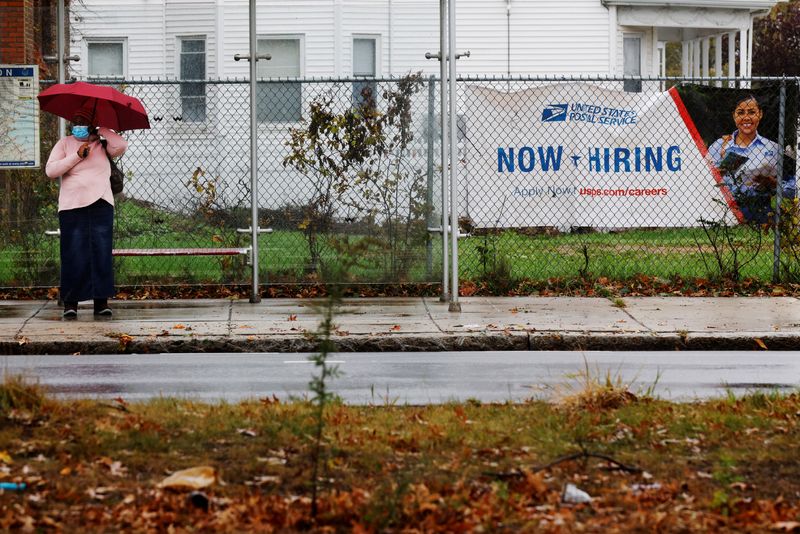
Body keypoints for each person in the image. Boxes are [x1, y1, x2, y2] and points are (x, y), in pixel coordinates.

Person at [45, 104, 128, 318]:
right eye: (76, 120)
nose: (78, 124)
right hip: (72, 206)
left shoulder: (102, 144)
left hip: (101, 204)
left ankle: (101, 303)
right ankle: (70, 303)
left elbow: (120, 145)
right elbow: (51, 170)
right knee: (73, 253)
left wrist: (101, 130)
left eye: (83, 121)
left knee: (100, 252)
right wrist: (77, 156)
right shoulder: (64, 144)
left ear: (91, 124)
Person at [708, 95, 795, 224]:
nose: (746, 117)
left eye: (752, 112)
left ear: (760, 114)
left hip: (763, 214)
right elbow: (702, 180)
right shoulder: (719, 146)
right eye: (741, 112)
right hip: (724, 214)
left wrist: (775, 185)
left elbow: (794, 187)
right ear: (734, 116)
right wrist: (719, 171)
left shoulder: (774, 148)